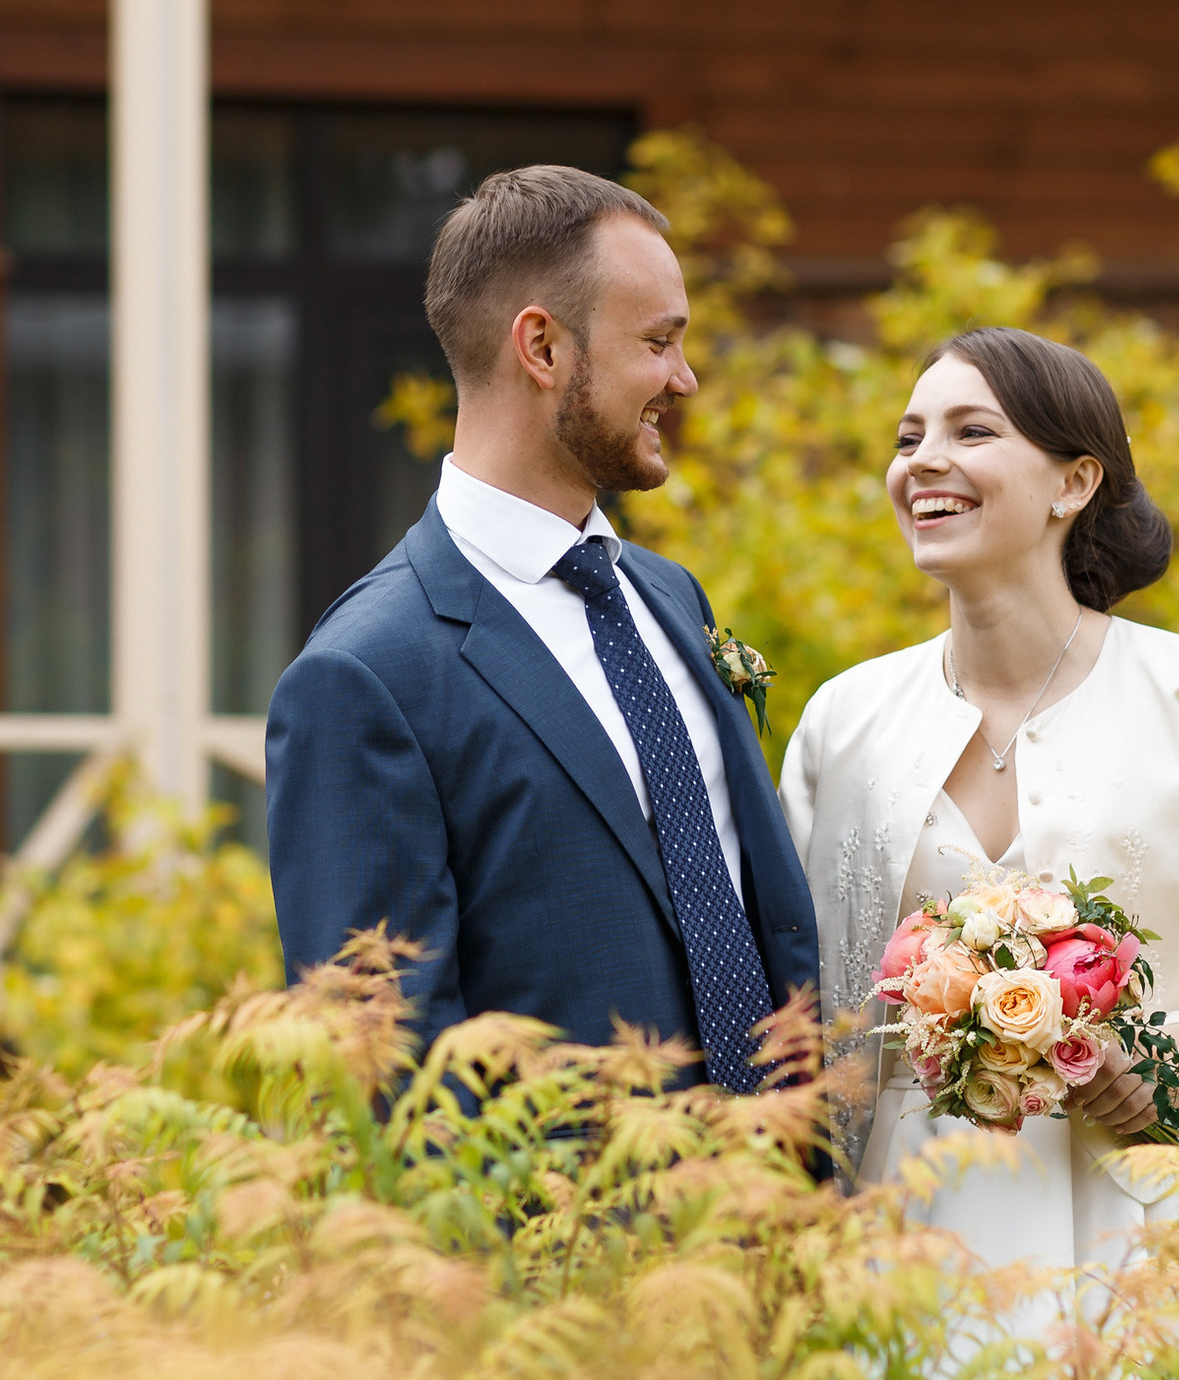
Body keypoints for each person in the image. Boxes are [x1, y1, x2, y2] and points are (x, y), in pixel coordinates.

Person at [779, 327, 1179, 1265]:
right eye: (908, 438)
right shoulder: (841, 720)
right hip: (908, 1231)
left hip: (1154, 1206)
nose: (925, 460)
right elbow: (801, 989)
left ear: (1074, 483)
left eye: (972, 432)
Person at [266, 166, 819, 1095]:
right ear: (542, 347)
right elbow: (382, 1081)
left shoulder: (670, 596)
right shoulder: (367, 675)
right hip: (576, 1233)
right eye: (658, 341)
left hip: (785, 1214)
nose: (683, 379)